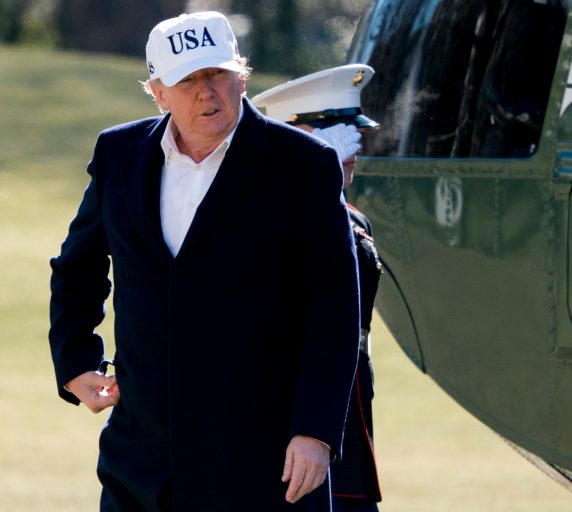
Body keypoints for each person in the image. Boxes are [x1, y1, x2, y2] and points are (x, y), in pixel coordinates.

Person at [48, 11, 361, 512]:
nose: (206, 93)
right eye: (187, 80)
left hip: (264, 465)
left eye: (216, 74)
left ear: (242, 76)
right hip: (142, 464)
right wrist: (74, 359)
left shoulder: (303, 165)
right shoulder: (118, 154)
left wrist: (315, 432)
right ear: (157, 92)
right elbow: (76, 269)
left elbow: (335, 310)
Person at [251, 64, 383, 512]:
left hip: (347, 418)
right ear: (300, 137)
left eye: (355, 131)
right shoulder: (271, 219)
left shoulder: (352, 216)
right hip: (295, 428)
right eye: (337, 131)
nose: (356, 145)